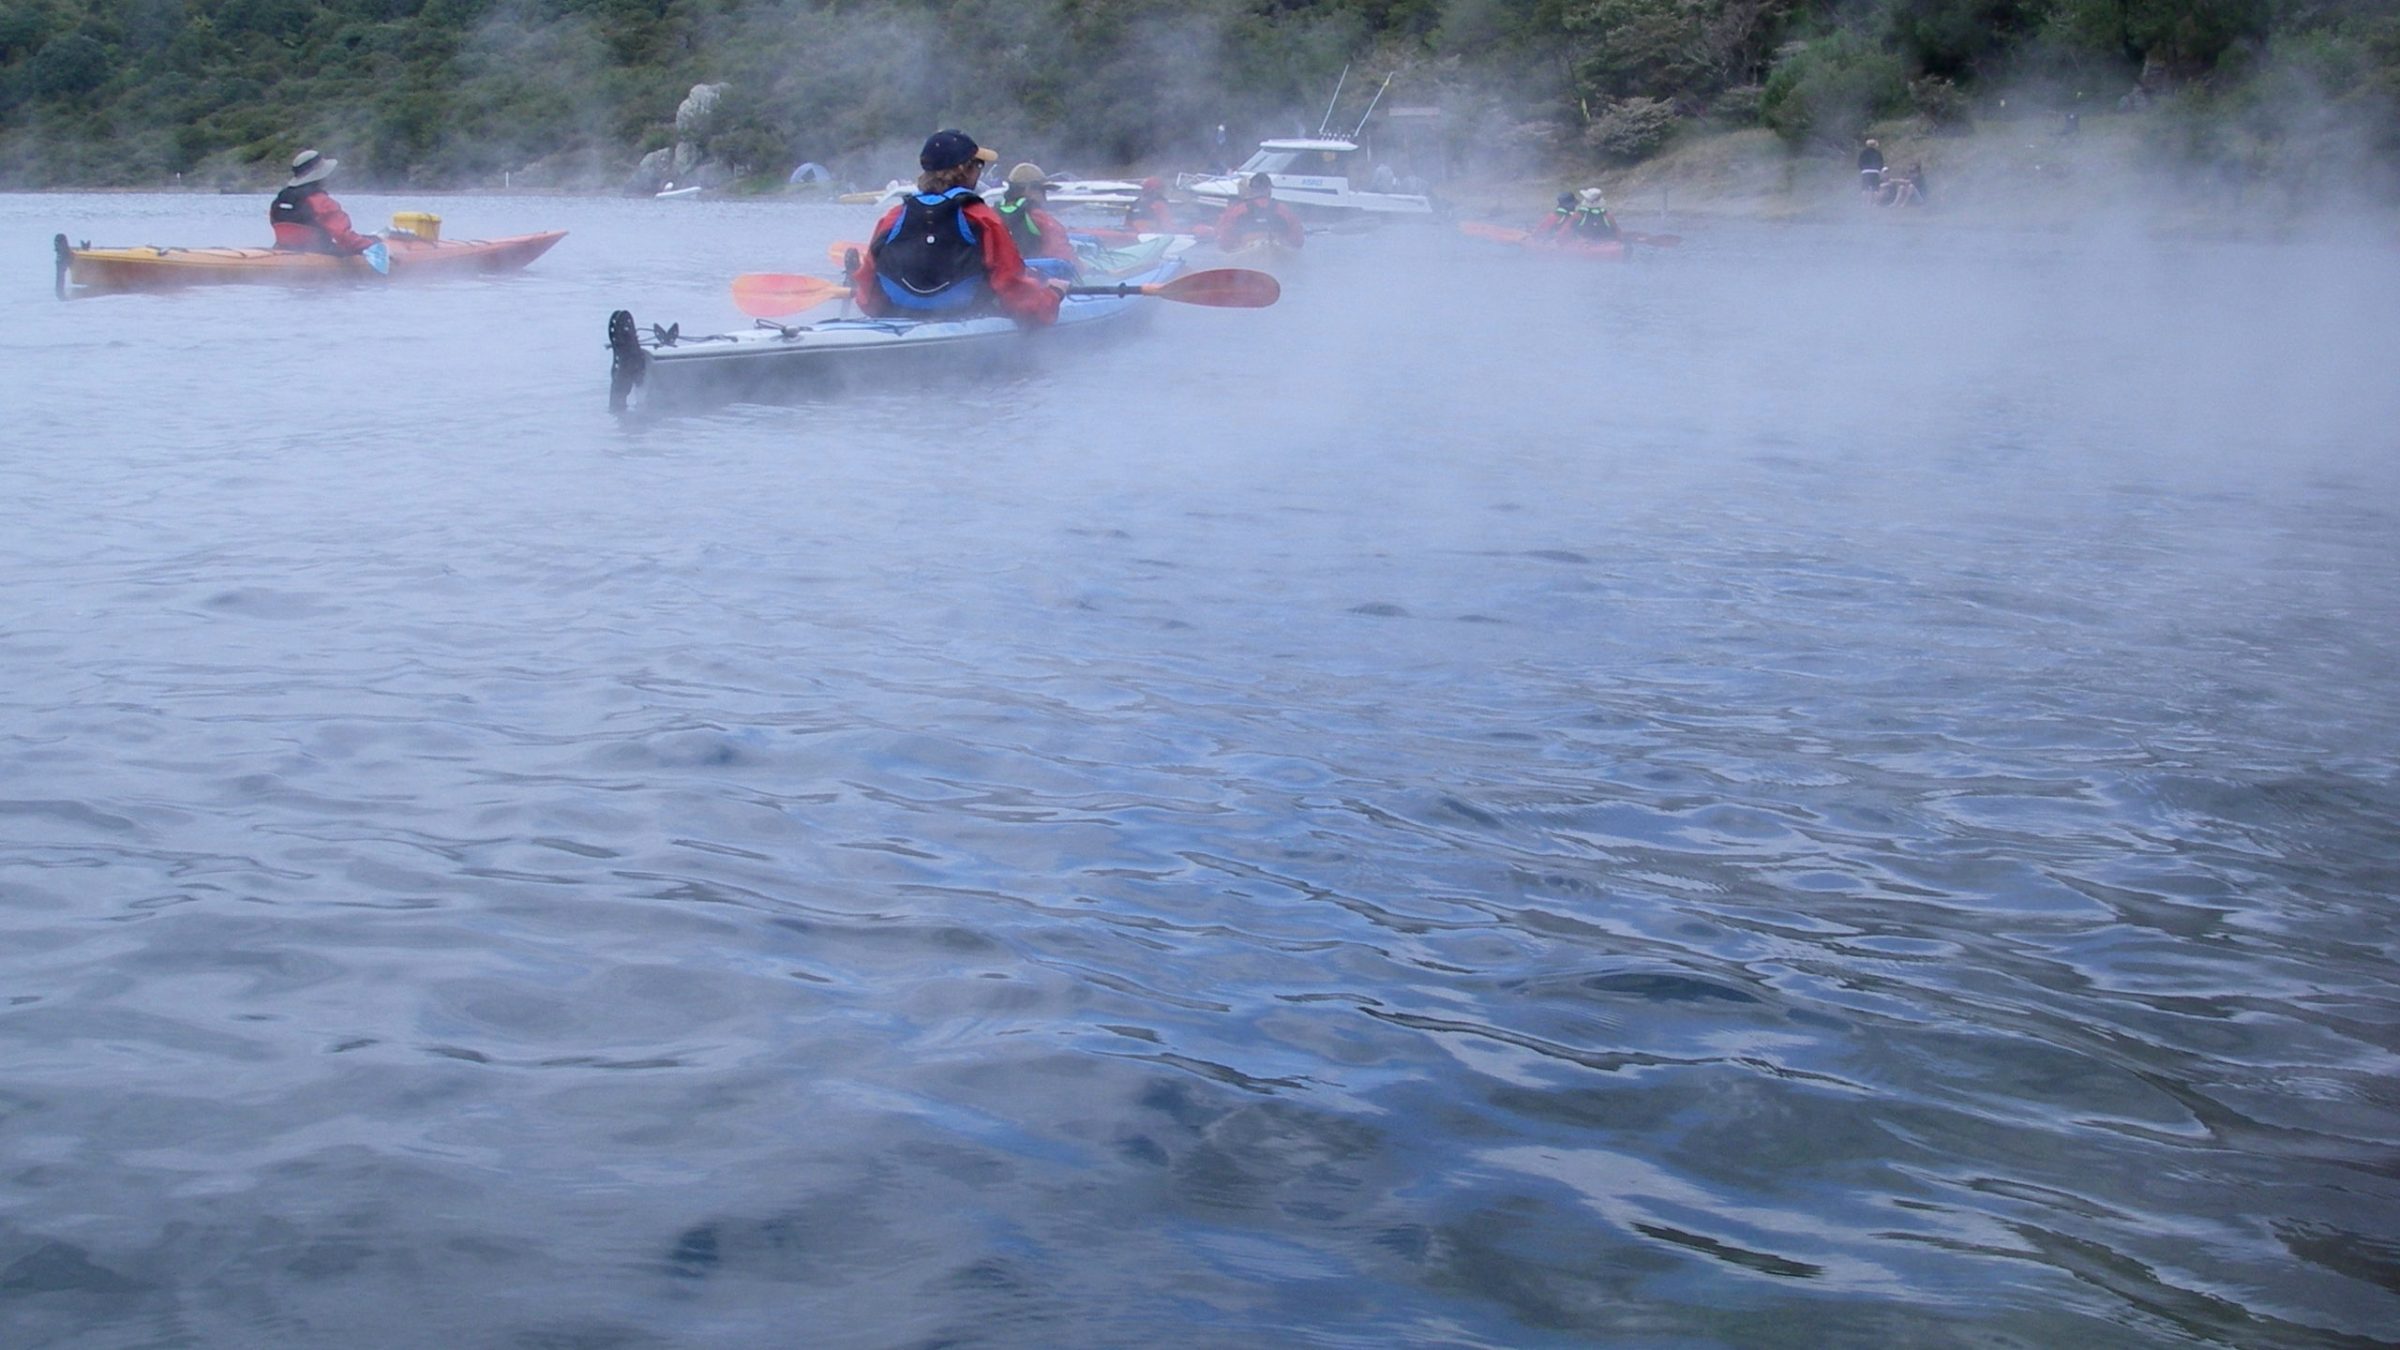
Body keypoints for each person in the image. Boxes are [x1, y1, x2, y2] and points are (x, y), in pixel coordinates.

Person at [850, 129, 1067, 326]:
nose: (980, 172)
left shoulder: (893, 217)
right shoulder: (983, 219)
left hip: (899, 318)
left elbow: (868, 297)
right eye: (979, 165)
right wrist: (1052, 295)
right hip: (967, 320)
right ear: (967, 170)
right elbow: (1015, 292)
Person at [270, 149, 381, 260]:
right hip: (319, 253)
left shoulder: (281, 199)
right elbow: (343, 235)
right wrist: (370, 246)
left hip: (285, 249)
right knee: (373, 241)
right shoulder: (321, 202)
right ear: (321, 176)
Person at [994, 162, 1078, 273]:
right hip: (1036, 284)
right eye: (1042, 191)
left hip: (999, 283)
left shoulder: (992, 214)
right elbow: (1063, 256)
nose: (1045, 198)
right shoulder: (1039, 217)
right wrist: (1090, 270)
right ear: (1029, 190)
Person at [1215, 172, 1305, 251]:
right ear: (1269, 188)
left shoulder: (1237, 210)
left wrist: (1234, 245)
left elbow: (1224, 240)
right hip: (1277, 248)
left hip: (1247, 250)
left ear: (1252, 189)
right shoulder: (1283, 209)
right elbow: (1298, 240)